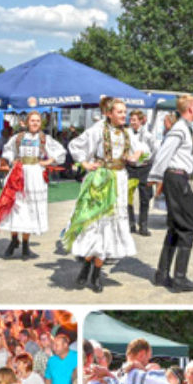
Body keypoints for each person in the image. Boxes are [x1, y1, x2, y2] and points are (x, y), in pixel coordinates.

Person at [62, 98, 144, 292]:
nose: (124, 115)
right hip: (100, 180)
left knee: (110, 227)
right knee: (95, 224)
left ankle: (97, 273)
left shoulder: (127, 133)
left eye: (125, 112)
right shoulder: (98, 130)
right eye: (120, 112)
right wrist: (85, 163)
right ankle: (86, 266)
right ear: (109, 113)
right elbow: (75, 145)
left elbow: (142, 149)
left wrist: (135, 155)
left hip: (119, 180)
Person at [0, 111, 66, 260]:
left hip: (35, 176)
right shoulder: (18, 138)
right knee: (15, 207)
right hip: (18, 174)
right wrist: (12, 161)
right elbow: (7, 151)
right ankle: (13, 241)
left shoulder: (45, 139)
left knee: (30, 208)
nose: (35, 123)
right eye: (32, 120)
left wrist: (47, 162)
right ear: (26, 122)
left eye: (38, 121)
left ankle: (25, 244)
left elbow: (60, 152)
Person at [148, 94, 193, 292]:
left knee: (175, 227)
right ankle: (179, 277)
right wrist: (156, 179)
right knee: (188, 228)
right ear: (189, 108)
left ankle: (162, 273)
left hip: (179, 179)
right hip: (178, 179)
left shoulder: (184, 128)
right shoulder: (179, 128)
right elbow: (164, 154)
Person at [126, 109, 156, 236]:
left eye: (134, 120)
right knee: (128, 196)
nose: (132, 122)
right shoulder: (126, 133)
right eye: (131, 120)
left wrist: (145, 161)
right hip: (131, 168)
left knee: (145, 197)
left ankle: (143, 225)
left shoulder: (148, 135)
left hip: (144, 168)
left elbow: (154, 151)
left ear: (140, 120)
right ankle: (130, 223)